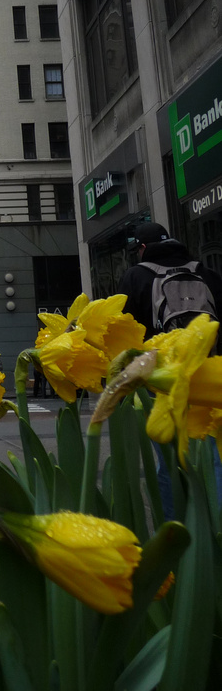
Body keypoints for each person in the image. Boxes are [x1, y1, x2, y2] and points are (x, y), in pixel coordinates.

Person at [118, 221, 222, 516]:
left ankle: (178, 532)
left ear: (141, 248)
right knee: (215, 459)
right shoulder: (206, 273)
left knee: (170, 461)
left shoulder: (135, 276)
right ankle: (215, 531)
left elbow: (127, 333)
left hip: (160, 381)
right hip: (208, 378)